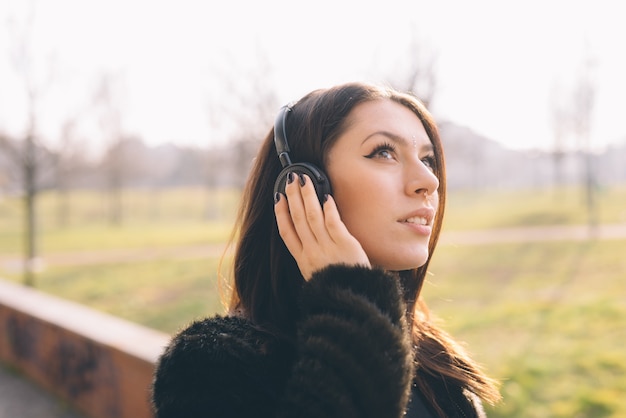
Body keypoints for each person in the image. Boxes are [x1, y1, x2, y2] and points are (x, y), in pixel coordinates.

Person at [151, 82, 500, 418]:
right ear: (303, 185)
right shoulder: (212, 366)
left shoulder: (430, 354)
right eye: (384, 152)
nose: (429, 181)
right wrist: (351, 295)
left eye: (428, 159)